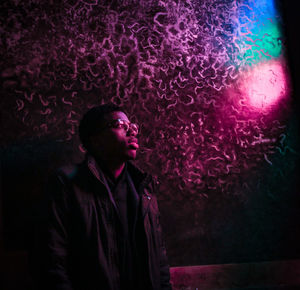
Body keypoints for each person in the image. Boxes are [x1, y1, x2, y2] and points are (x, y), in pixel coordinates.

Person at [33, 103, 172, 290]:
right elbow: (52, 257)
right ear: (95, 140)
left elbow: (159, 257)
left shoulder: (144, 188)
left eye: (132, 126)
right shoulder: (66, 183)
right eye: (120, 125)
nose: (132, 132)